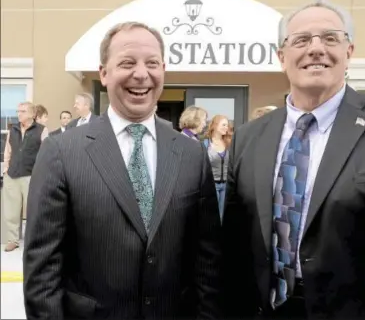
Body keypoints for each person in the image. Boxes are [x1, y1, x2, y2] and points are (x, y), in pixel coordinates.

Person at [222, 0, 365, 320]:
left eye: (330, 38)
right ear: (282, 57)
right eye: (301, 40)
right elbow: (235, 246)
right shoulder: (249, 137)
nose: (316, 49)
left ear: (349, 52)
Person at [24, 21, 222, 319]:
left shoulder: (191, 154)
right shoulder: (61, 152)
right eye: (127, 62)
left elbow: (207, 263)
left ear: (163, 70)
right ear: (104, 73)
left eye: (152, 63)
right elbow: (42, 274)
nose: (141, 74)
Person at [2, 102, 48, 252]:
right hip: (12, 175)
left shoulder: (42, 130)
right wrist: (5, 170)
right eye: (18, 111)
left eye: (22, 111)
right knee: (11, 211)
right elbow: (8, 151)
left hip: (31, 176)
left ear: (32, 114)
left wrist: (40, 173)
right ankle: (12, 240)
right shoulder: (13, 129)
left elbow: (45, 154)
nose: (19, 114)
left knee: (34, 210)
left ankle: (34, 240)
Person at [203, 115, 231, 221]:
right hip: (211, 185)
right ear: (214, 126)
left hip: (226, 185)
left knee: (223, 216)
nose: (226, 128)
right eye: (223, 125)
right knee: (211, 215)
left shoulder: (229, 143)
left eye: (227, 125)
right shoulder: (205, 144)